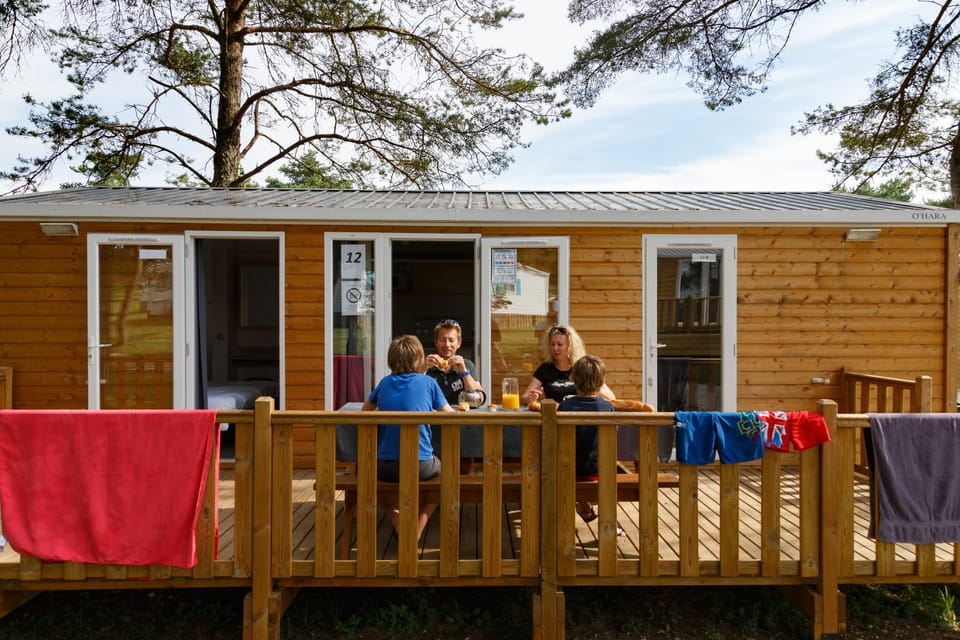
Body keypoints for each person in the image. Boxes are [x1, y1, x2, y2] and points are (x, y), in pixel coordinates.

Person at [361, 334, 454, 539]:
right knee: (448, 475)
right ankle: (419, 527)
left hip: (387, 466)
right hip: (421, 465)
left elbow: (365, 411)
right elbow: (449, 416)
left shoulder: (384, 383)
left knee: (368, 475)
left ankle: (397, 519)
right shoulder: (428, 383)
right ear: (419, 359)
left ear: (391, 360)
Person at [558, 355, 616, 525]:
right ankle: (604, 521)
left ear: (573, 379)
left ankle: (581, 508)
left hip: (568, 473)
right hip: (600, 474)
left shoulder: (566, 406)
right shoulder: (607, 407)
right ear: (602, 381)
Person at [521, 323, 615, 406]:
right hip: (553, 419)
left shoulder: (582, 367)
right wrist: (531, 398)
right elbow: (524, 398)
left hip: (579, 418)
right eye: (552, 344)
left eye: (560, 344)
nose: (555, 348)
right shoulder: (545, 368)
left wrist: (591, 389)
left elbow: (611, 398)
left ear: (570, 346)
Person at [423, 318, 486, 406]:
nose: (447, 345)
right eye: (442, 340)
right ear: (436, 342)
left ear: (459, 343)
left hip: (461, 418)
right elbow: (412, 396)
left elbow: (478, 399)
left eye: (451, 340)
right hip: (433, 417)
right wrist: (423, 369)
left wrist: (464, 372)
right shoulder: (426, 366)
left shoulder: (467, 365)